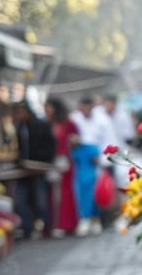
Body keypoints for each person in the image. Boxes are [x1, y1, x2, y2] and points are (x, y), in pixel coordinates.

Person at [70, 96, 116, 236]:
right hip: (79, 158)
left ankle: (96, 219)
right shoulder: (74, 119)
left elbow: (109, 140)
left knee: (96, 190)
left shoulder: (102, 120)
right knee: (80, 189)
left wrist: (103, 159)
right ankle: (84, 218)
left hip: (96, 158)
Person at [9, 102, 55, 239]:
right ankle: (27, 228)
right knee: (21, 200)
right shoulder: (20, 127)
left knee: (41, 200)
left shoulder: (41, 125)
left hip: (39, 168)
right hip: (23, 170)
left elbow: (50, 146)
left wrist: (40, 160)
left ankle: (47, 227)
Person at [45, 98, 80, 237]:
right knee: (51, 194)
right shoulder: (46, 123)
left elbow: (77, 138)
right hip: (50, 162)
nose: (47, 110)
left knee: (66, 194)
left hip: (65, 161)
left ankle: (67, 224)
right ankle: (53, 224)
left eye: (49, 107)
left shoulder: (68, 123)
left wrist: (71, 142)